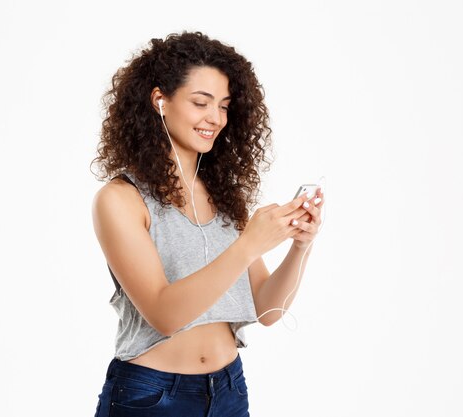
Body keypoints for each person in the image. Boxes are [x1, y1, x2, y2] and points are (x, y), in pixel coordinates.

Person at [90, 30, 324, 417]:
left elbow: (267, 310)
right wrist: (248, 244)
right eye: (201, 102)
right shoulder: (120, 200)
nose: (215, 118)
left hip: (229, 389)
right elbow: (165, 316)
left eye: (225, 106)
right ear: (160, 100)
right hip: (151, 398)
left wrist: (301, 245)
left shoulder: (222, 194)